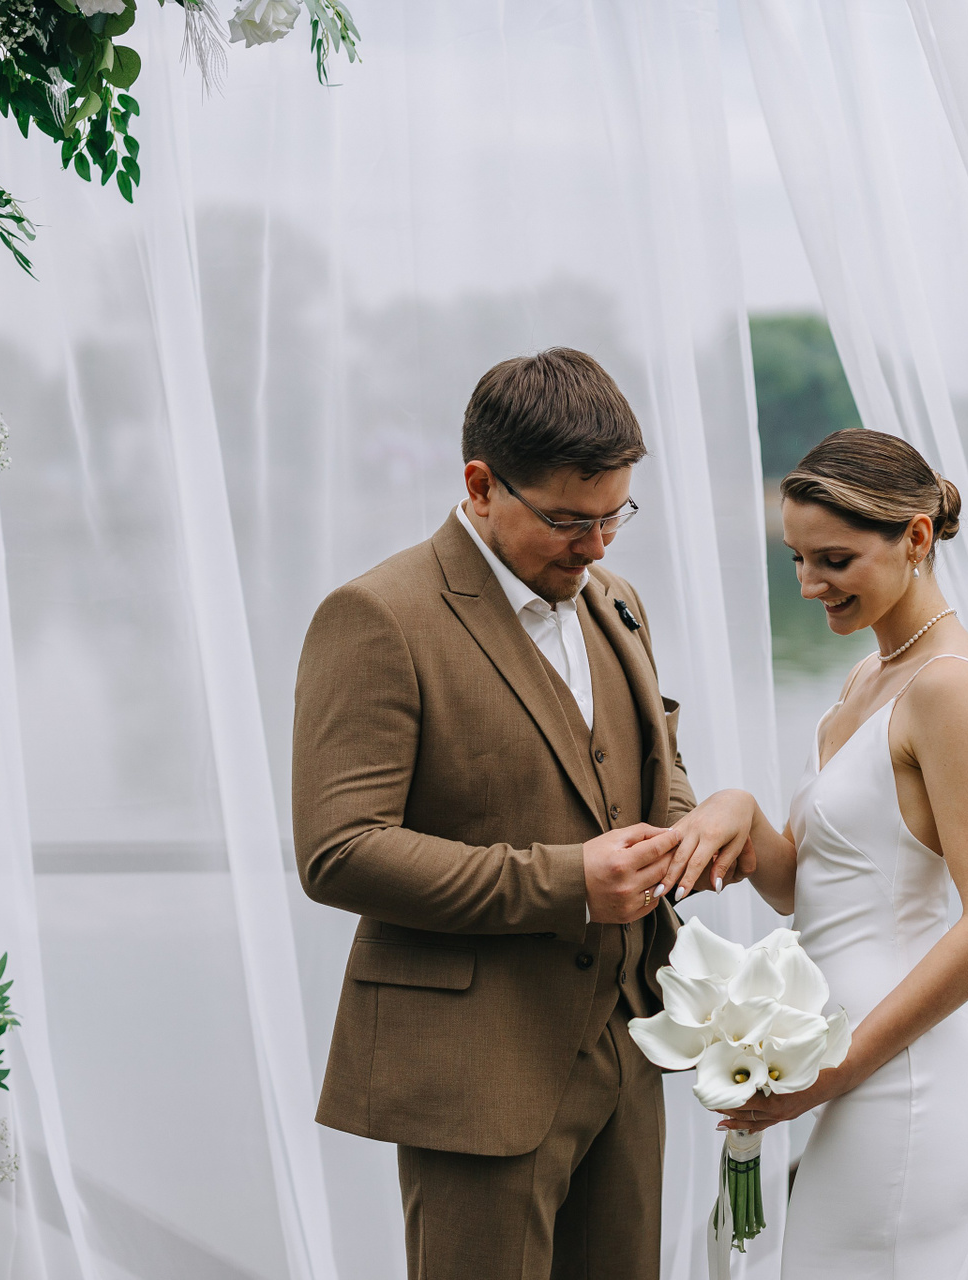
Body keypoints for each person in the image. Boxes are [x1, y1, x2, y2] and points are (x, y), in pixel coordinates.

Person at [291, 348, 732, 1280]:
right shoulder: (376, 615)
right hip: (475, 1072)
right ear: (481, 485)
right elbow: (340, 851)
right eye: (570, 520)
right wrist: (570, 882)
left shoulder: (617, 602)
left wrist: (690, 828)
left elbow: (653, 768)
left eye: (615, 516)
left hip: (629, 1043)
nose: (598, 546)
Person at [663, 428, 968, 1278]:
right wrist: (738, 810)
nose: (807, 585)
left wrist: (835, 1069)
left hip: (905, 1084)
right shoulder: (869, 678)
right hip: (854, 1078)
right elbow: (810, 887)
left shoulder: (949, 686)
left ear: (915, 537)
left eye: (833, 560)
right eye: (796, 559)